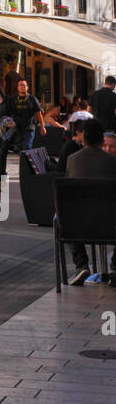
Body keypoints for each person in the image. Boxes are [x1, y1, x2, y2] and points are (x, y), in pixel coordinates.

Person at [64, 119, 116, 286]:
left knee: (67, 213)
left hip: (77, 228)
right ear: (102, 141)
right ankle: (115, 266)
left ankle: (81, 265)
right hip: (110, 226)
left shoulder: (72, 160)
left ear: (84, 139)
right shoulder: (112, 162)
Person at [10, 78, 45, 151]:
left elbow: (39, 113)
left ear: (27, 87)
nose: (22, 87)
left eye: (24, 85)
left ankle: (26, 162)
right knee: (19, 148)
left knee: (27, 147)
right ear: (17, 87)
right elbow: (9, 112)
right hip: (17, 128)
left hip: (29, 127)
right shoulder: (13, 99)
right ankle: (23, 162)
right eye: (20, 85)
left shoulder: (32, 99)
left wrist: (42, 127)